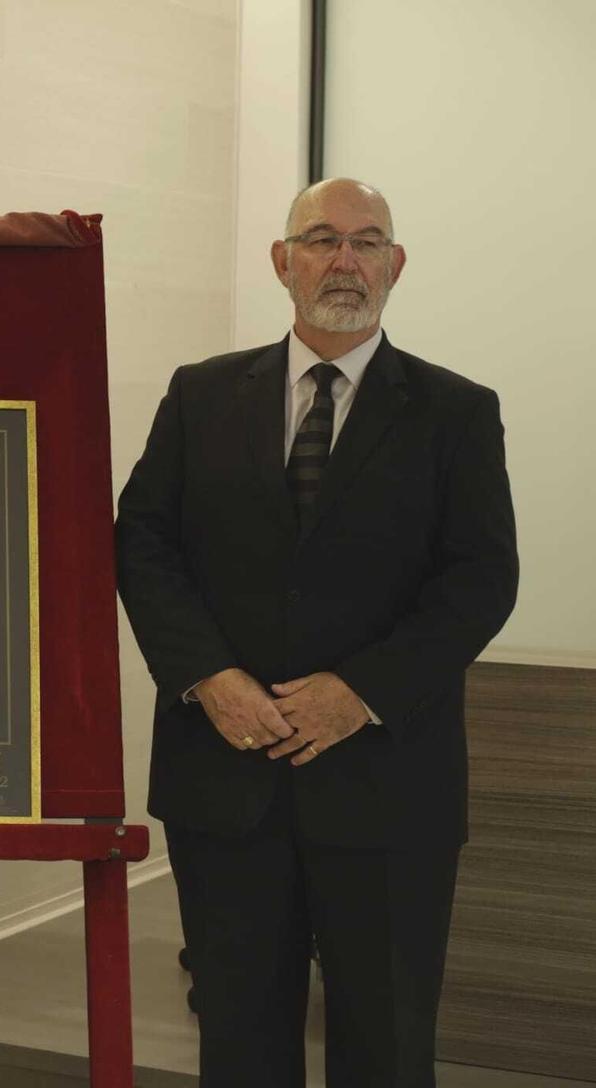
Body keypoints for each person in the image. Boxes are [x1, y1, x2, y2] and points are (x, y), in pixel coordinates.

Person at [114, 178, 518, 1087]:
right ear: (281, 260)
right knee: (239, 1040)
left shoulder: (457, 412)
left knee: (386, 1043)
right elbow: (144, 543)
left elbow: (481, 578)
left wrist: (361, 691)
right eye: (324, 239)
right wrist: (207, 676)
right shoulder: (200, 395)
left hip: (388, 785)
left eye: (369, 242)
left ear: (396, 266)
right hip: (225, 776)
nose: (347, 260)